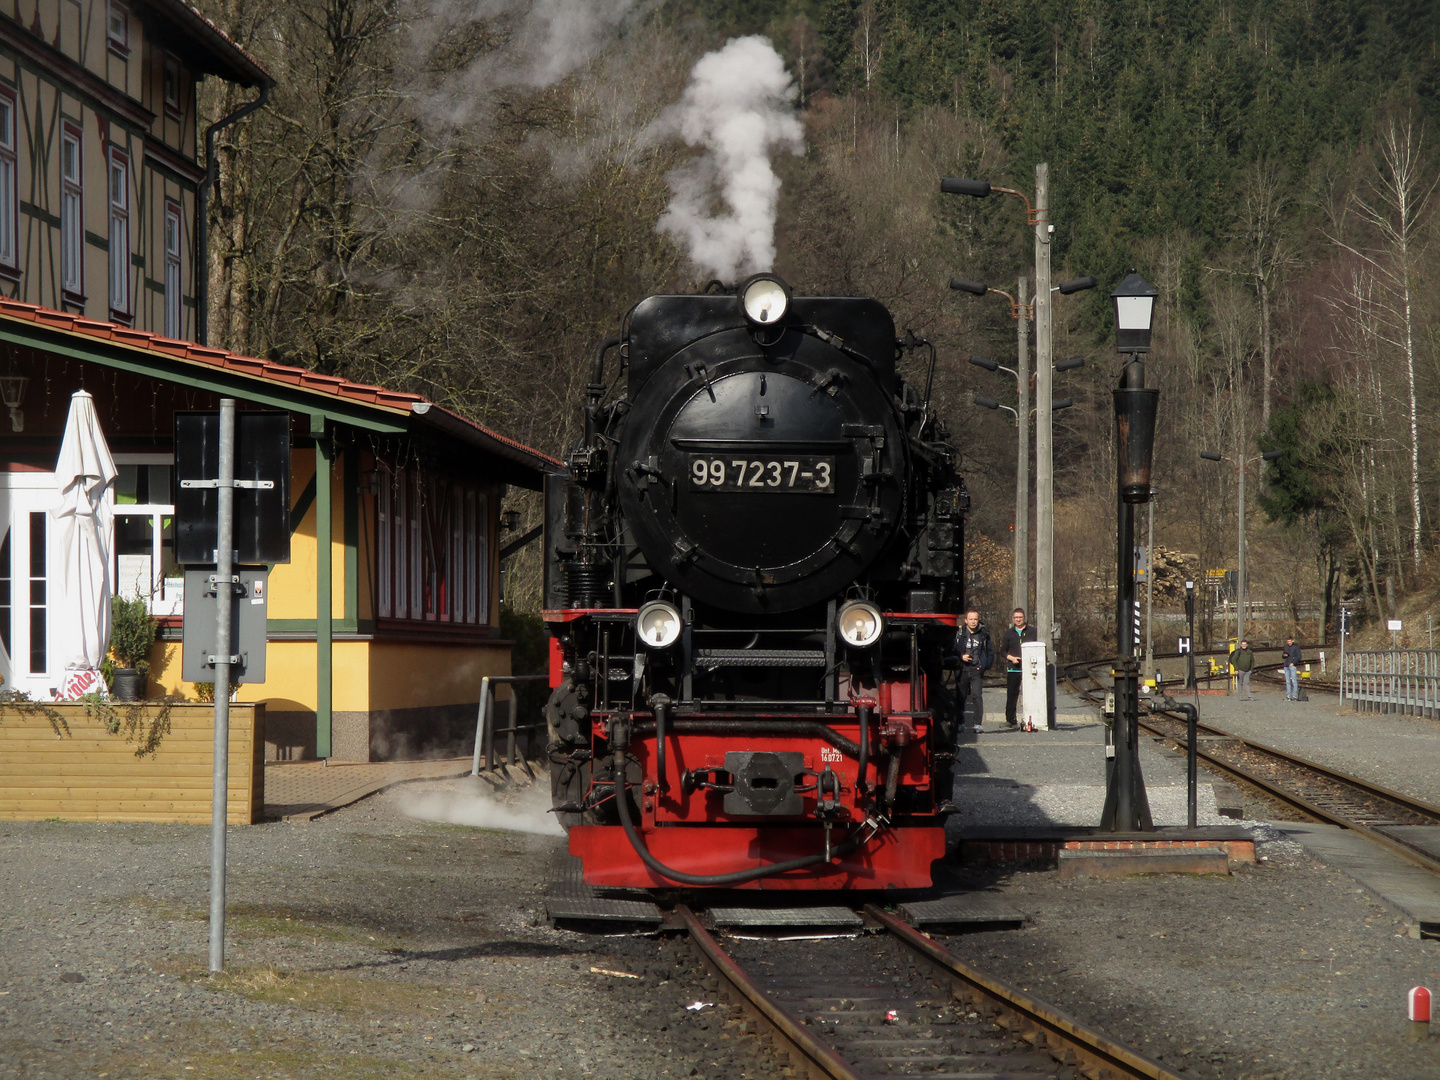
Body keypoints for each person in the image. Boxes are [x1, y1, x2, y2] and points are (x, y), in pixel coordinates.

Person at [954, 608, 993, 732]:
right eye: (971, 619)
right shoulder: (960, 634)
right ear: (966, 620)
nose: (973, 622)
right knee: (961, 697)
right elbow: (953, 649)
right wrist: (961, 656)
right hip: (963, 669)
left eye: (975, 619)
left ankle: (977, 724)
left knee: (977, 696)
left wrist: (985, 666)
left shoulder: (984, 634)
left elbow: (990, 652)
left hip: (977, 669)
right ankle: (960, 723)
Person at [1001, 608, 1037, 728]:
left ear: (1024, 618)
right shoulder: (1009, 633)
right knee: (1012, 694)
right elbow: (1002, 651)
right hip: (1013, 668)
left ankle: (1032, 718)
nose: (1018, 619)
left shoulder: (1033, 631)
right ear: (1013, 618)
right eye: (1016, 617)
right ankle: (1010, 719)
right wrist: (1011, 658)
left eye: (1020, 617)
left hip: (1029, 668)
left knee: (1031, 694)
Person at [1282, 635, 1302, 700]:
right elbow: (1283, 655)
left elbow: (1298, 656)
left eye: (1290, 641)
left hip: (1292, 666)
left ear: (1292, 640)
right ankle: (1288, 695)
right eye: (1288, 641)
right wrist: (1284, 655)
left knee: (1294, 680)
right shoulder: (1286, 647)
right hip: (1286, 665)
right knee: (1288, 681)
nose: (1289, 642)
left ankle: (1294, 695)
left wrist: (1293, 663)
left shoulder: (1296, 647)